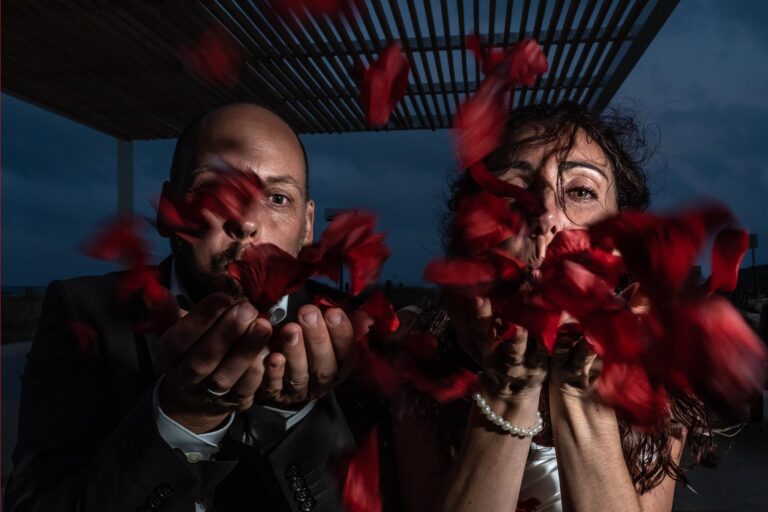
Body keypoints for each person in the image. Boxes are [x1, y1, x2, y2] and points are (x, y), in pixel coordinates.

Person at [5, 104, 385, 512]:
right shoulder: (85, 312)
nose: (247, 222)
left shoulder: (347, 332)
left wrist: (294, 416)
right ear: (170, 210)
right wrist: (179, 421)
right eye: (214, 190)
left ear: (307, 226)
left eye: (277, 198)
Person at [390, 102, 716, 512]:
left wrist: (579, 388)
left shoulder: (660, 388)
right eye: (515, 192)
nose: (545, 216)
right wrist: (511, 389)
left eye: (580, 192)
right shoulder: (421, 372)